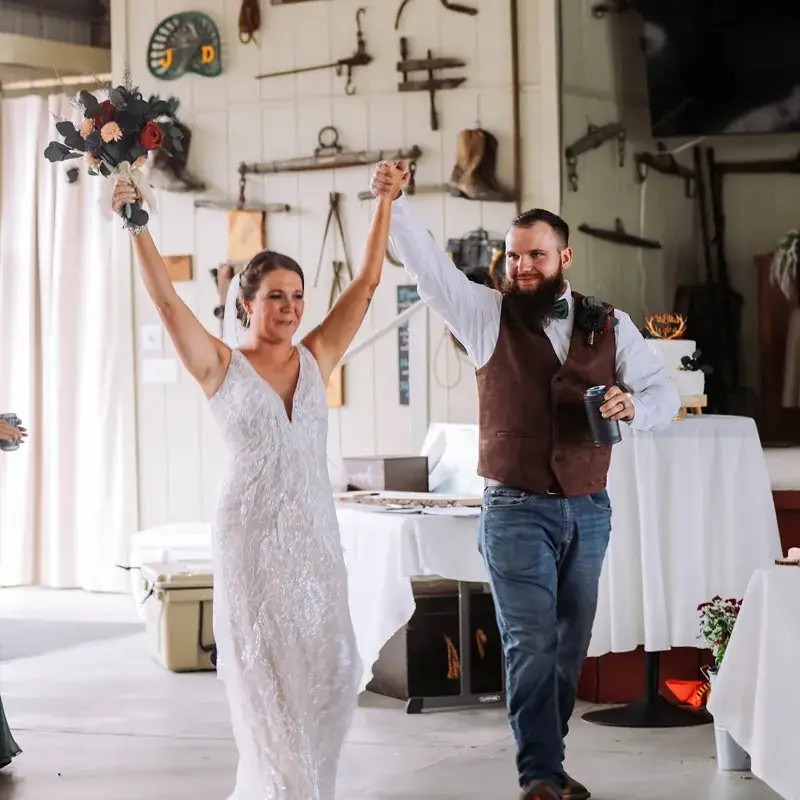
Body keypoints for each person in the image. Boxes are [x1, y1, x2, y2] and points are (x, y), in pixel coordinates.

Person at [370, 163, 680, 800]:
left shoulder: (610, 323)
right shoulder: (485, 314)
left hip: (590, 508)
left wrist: (632, 405)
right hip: (513, 509)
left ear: (564, 256)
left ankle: (551, 763)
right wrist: (396, 203)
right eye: (513, 256)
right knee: (530, 643)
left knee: (569, 644)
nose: (522, 267)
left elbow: (663, 392)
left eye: (535, 255)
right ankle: (538, 776)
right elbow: (429, 269)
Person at [112, 161, 407, 800]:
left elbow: (367, 281)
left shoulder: (317, 356)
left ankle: (311, 789)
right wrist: (135, 221)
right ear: (246, 303)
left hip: (314, 539)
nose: (291, 308)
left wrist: (385, 200)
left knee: (330, 675)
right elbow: (166, 300)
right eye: (277, 295)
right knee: (266, 684)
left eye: (298, 296)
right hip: (251, 542)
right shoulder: (220, 365)